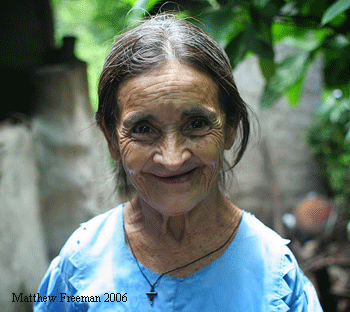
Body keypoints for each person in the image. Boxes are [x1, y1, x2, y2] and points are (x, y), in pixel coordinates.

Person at [34, 14, 323, 311]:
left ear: (230, 128)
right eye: (144, 129)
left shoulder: (276, 277)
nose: (172, 159)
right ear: (111, 139)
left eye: (196, 124)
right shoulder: (81, 266)